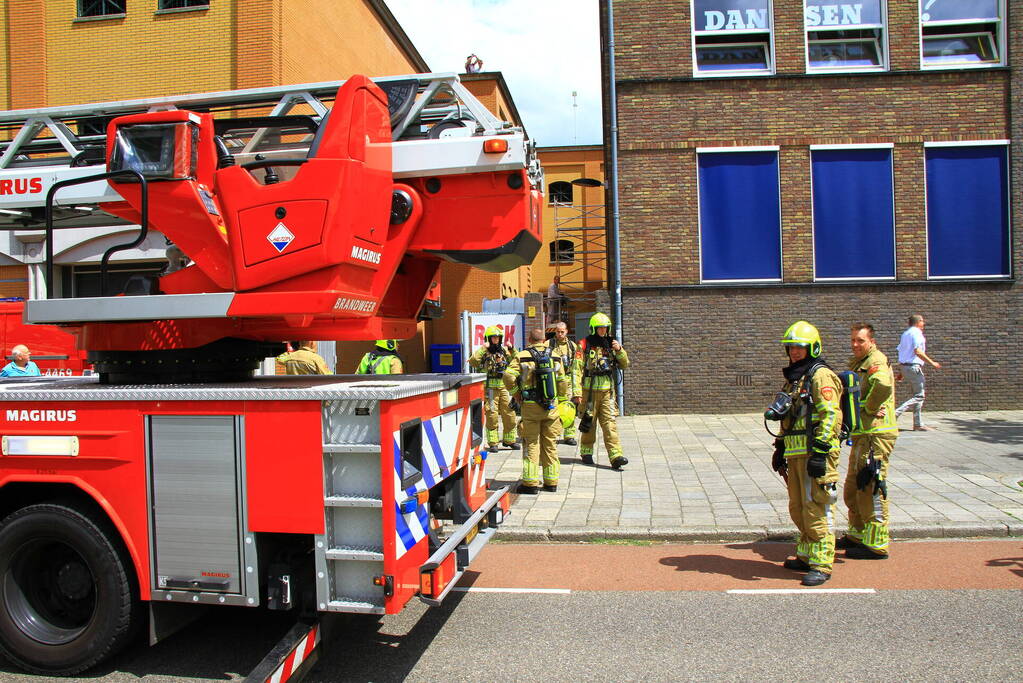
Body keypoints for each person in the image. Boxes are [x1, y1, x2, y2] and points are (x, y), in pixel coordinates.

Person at [770, 321, 842, 586]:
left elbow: (830, 414)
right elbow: (788, 416)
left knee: (816, 508)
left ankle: (822, 564)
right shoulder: (795, 378)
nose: (794, 352)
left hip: (816, 454)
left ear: (812, 347)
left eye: (799, 347)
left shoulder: (820, 375)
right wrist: (780, 447)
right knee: (798, 507)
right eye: (791, 348)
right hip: (796, 453)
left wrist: (821, 453)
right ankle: (806, 554)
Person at [841, 323, 899, 560]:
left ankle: (876, 545)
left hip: (876, 435)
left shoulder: (875, 362)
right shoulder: (861, 363)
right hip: (863, 435)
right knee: (854, 487)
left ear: (871, 342)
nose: (855, 344)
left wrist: (869, 408)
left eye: (860, 340)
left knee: (870, 487)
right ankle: (857, 534)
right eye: (853, 340)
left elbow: (883, 385)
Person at [504, 328, 569, 494]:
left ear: (529, 339)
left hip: (531, 406)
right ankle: (551, 482)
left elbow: (508, 376)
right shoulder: (555, 355)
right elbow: (562, 380)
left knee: (531, 444)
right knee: (550, 445)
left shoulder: (522, 355)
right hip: (551, 407)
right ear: (544, 339)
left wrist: (516, 393)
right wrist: (560, 400)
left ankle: (530, 484)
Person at [574, 312, 629, 470]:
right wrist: (576, 392)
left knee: (609, 424)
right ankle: (586, 452)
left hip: (607, 392)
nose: (603, 331)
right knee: (589, 423)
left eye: (605, 328)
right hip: (588, 392)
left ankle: (615, 456)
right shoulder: (584, 344)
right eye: (600, 328)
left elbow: (625, 364)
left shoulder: (612, 344)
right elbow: (576, 369)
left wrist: (619, 350)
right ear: (593, 329)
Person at [468, 326, 519, 451]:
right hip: (490, 388)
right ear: (488, 338)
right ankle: (493, 442)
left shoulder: (503, 351)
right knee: (492, 415)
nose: (496, 340)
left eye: (498, 337)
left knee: (510, 413)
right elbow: (473, 362)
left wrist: (512, 348)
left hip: (504, 387)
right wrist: (483, 348)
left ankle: (509, 440)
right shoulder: (483, 351)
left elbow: (517, 359)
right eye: (493, 338)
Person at [894, 314, 940, 431]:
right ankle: (896, 413)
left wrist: (901, 372)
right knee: (919, 396)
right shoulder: (916, 333)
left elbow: (902, 353)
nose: (924, 324)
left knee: (918, 395)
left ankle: (918, 424)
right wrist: (932, 362)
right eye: (923, 321)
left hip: (906, 367)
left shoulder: (905, 334)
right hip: (913, 367)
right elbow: (917, 351)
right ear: (919, 321)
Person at [546, 321, 580, 445]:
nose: (560, 334)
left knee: (569, 407)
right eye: (558, 332)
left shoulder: (573, 346)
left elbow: (577, 365)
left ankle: (569, 435)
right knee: (553, 408)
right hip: (553, 381)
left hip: (568, 380)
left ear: (566, 331)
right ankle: (553, 434)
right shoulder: (548, 344)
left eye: (562, 332)